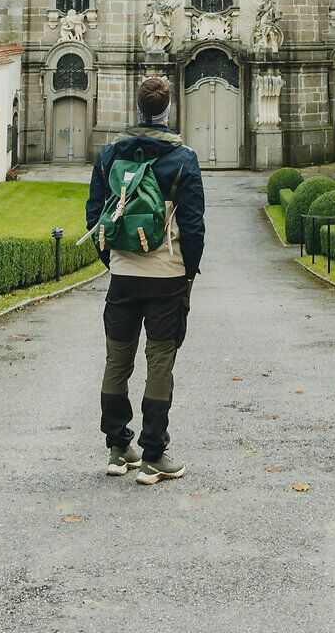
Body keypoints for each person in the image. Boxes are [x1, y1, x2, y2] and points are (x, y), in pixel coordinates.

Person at [85, 74, 205, 483]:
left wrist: (113, 260)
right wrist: (188, 272)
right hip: (166, 278)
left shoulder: (109, 154)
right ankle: (154, 455)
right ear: (167, 109)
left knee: (116, 361)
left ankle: (119, 450)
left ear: (138, 107)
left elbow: (93, 215)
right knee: (159, 363)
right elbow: (193, 226)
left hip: (122, 276)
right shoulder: (182, 158)